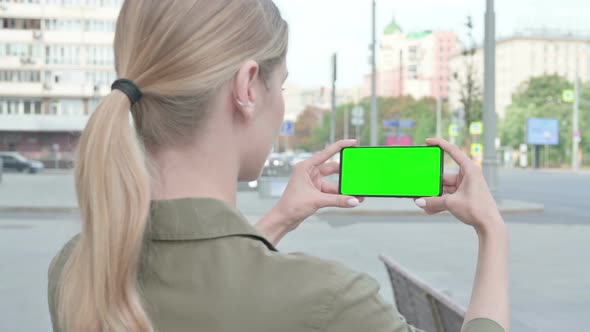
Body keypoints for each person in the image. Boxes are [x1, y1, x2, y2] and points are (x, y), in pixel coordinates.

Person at [47, 1, 509, 331]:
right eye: (282, 83)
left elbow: (212, 290)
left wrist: (277, 220)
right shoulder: (330, 301)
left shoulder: (79, 268)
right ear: (248, 86)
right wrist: (492, 232)